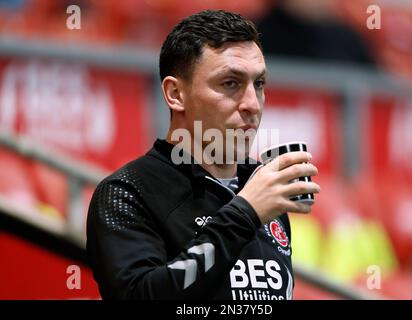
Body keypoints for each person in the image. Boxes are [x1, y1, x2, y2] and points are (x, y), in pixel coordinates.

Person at [86, 9, 320, 300]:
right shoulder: (127, 192)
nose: (252, 104)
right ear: (175, 94)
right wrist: (245, 213)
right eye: (230, 83)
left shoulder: (261, 187)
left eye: (258, 84)